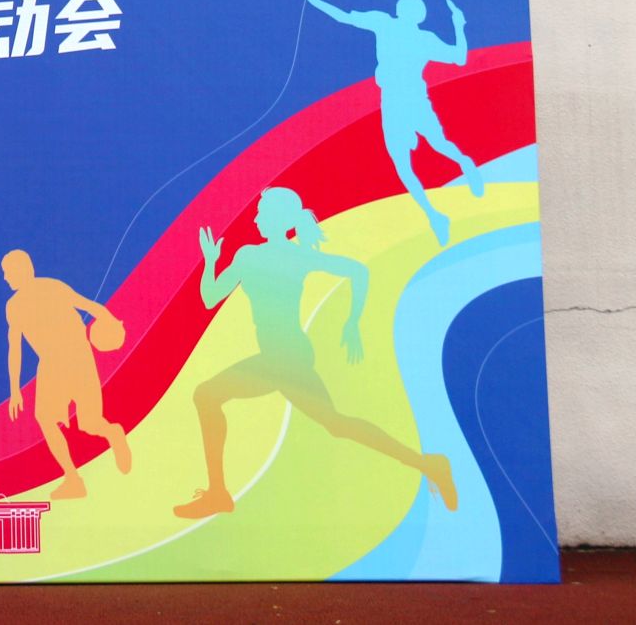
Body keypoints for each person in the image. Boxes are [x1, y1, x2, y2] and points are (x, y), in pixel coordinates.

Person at [172, 187, 456, 520]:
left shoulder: (266, 256)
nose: (256, 218)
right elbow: (210, 298)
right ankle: (428, 464)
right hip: (285, 356)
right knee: (337, 424)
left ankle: (218, 493)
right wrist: (210, 261)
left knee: (207, 395)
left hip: (285, 357)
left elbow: (358, 271)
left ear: (278, 219)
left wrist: (353, 322)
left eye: (262, 213)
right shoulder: (262, 256)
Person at [306, 0, 483, 245]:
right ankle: (437, 211)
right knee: (413, 157)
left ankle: (461, 171)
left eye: (408, 4)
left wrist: (316, 1)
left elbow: (343, 16)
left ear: (408, 11)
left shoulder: (400, 29)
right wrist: (459, 27)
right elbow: (460, 56)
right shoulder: (401, 29)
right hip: (397, 102)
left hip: (408, 100)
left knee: (422, 153)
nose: (403, 4)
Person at [2, 249, 132, 498]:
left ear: (23, 270)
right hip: (54, 364)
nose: (6, 278)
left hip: (75, 358)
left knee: (87, 423)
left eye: (8, 272)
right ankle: (74, 479)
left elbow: (89, 306)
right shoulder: (15, 306)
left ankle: (112, 435)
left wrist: (112, 324)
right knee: (49, 419)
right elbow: (14, 348)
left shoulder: (52, 288)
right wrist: (15, 390)